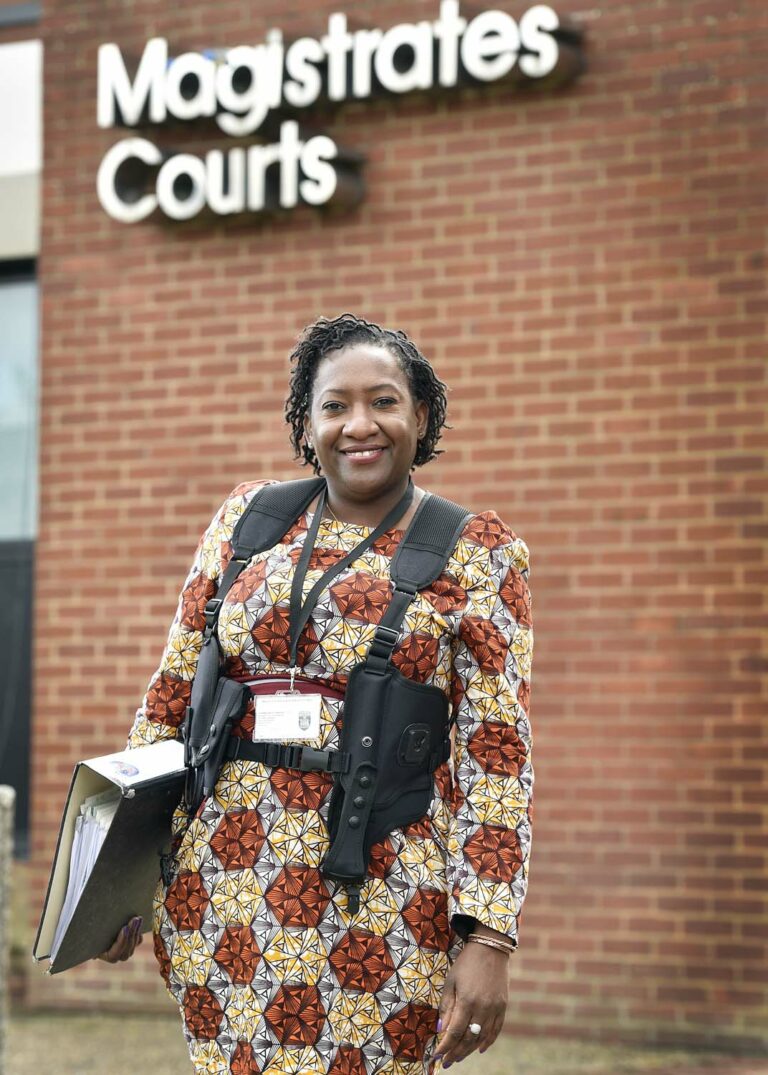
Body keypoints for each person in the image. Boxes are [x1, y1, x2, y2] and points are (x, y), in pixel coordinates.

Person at [102, 314, 534, 1075]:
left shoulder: (474, 550)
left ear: (421, 415)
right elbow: (168, 700)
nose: (359, 425)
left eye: (384, 402)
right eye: (335, 406)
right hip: (223, 883)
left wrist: (489, 936)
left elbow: (496, 756)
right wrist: (118, 875)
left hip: (383, 893)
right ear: (308, 423)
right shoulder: (249, 520)